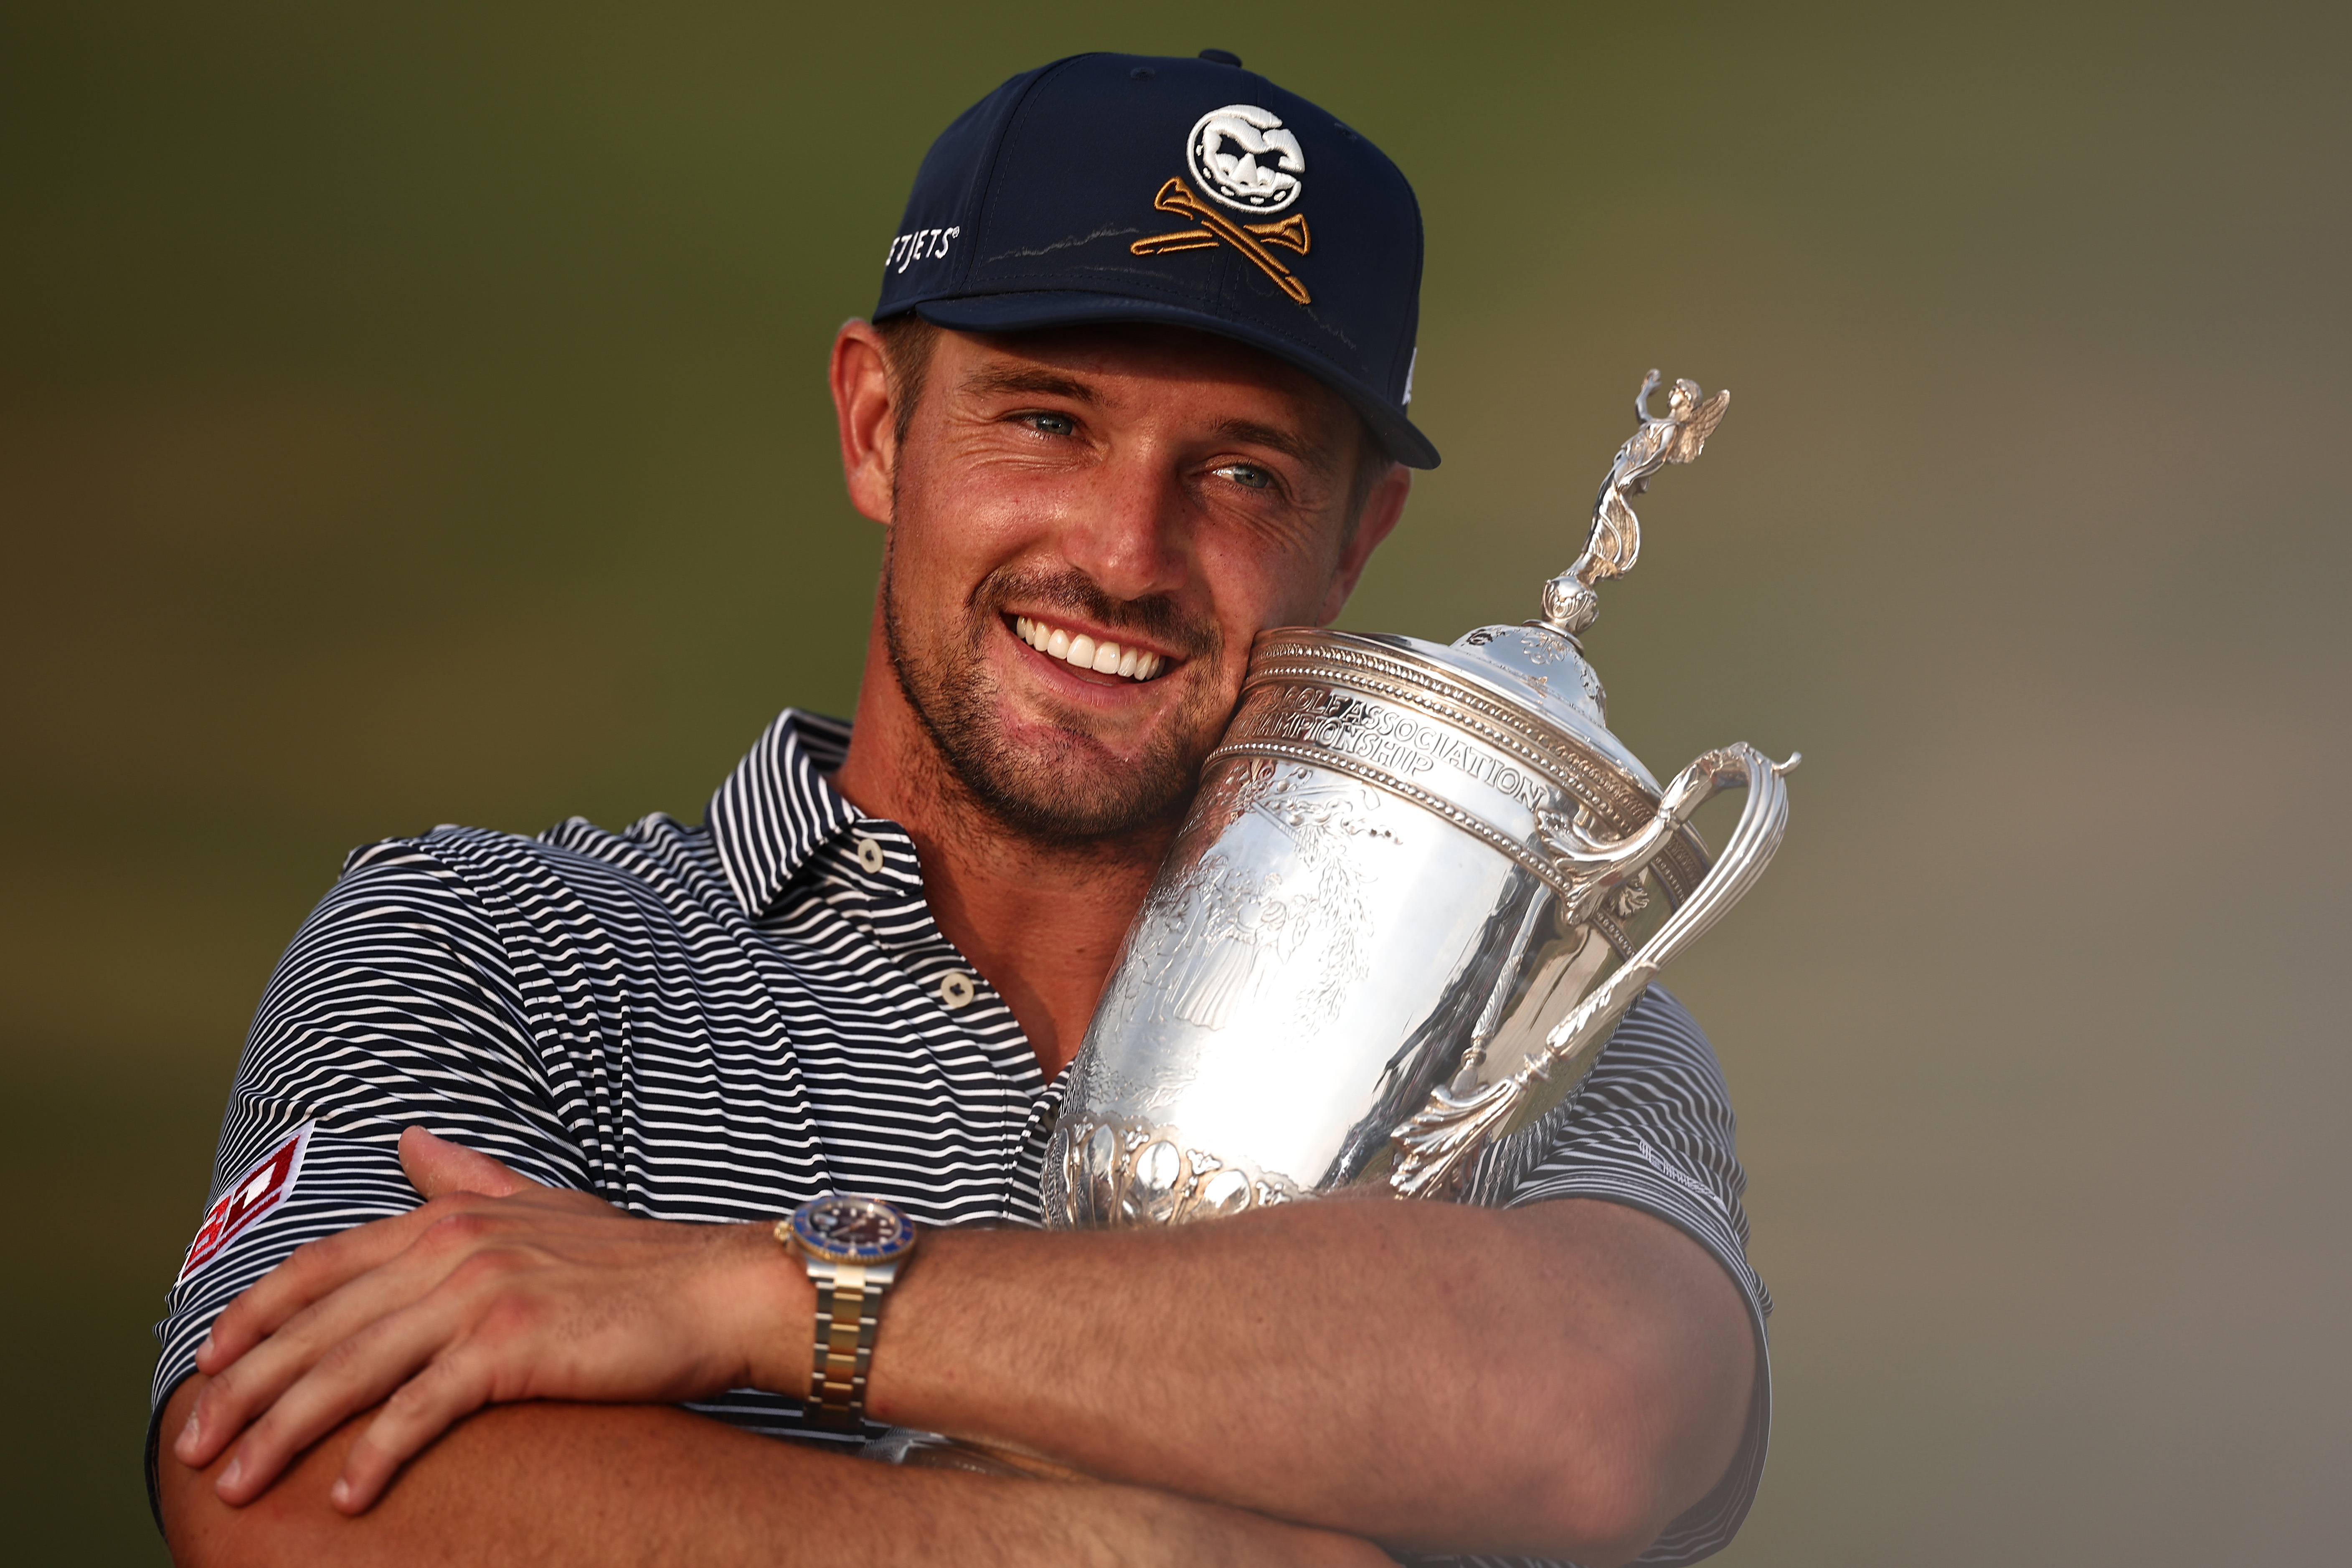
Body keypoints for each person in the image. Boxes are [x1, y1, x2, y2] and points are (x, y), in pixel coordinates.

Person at [150, 50, 1771, 1567]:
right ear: (878, 426)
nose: (1124, 555)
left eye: (1242, 475)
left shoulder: (1531, 1032)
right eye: (1047, 421)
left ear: (1355, 544)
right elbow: (288, 1484)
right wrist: (1119, 1548)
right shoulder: (494, 947)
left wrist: (758, 1296)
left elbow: (1601, 1419)